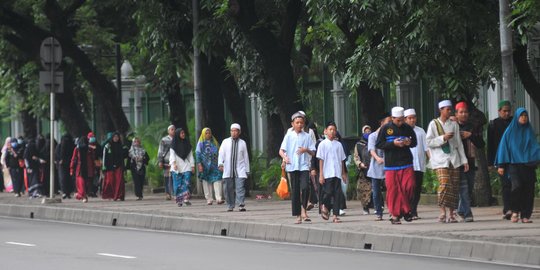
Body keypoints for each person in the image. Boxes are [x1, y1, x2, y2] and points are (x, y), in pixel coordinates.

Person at [426, 100, 469, 223]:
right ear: (441, 110)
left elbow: (459, 144)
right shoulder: (433, 124)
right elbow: (428, 142)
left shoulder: (454, 124)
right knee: (444, 185)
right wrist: (443, 138)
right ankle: (442, 211)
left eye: (450, 109)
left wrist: (464, 160)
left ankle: (451, 213)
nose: (450, 111)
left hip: (454, 159)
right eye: (447, 109)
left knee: (454, 186)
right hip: (440, 160)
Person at [495, 108, 540, 223]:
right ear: (517, 117)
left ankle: (525, 216)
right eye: (522, 116)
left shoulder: (529, 131)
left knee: (528, 190)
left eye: (526, 116)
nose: (524, 118)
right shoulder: (510, 131)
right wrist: (501, 165)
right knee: (517, 187)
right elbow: (504, 148)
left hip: (528, 165)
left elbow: (535, 148)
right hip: (514, 165)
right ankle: (515, 211)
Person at [376, 106, 417, 224]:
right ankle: (395, 214)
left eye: (402, 120)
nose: (400, 122)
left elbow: (414, 142)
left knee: (409, 186)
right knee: (393, 190)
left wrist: (408, 142)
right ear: (392, 118)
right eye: (397, 120)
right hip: (391, 164)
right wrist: (393, 143)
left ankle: (406, 209)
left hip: (406, 162)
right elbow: (379, 144)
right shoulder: (385, 129)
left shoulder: (407, 128)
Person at [279, 112, 316, 224]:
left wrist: (306, 150)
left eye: (301, 123)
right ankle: (298, 215)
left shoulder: (307, 136)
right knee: (295, 191)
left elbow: (313, 152)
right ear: (293, 124)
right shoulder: (289, 136)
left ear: (304, 124)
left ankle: (304, 209)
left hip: (304, 166)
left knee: (305, 188)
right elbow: (281, 150)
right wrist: (285, 158)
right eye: (297, 123)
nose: (299, 125)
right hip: (292, 166)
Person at [455, 102, 485, 222]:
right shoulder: (452, 126)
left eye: (465, 112)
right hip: (457, 163)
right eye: (461, 112)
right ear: (456, 114)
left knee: (469, 187)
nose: (463, 114)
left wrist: (470, 135)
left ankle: (461, 210)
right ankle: (468, 213)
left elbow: (481, 144)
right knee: (464, 189)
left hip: (470, 161)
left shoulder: (473, 127)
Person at [316, 121, 348, 223]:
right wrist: (321, 174)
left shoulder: (339, 145)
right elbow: (321, 160)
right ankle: (324, 205)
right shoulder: (322, 144)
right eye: (330, 129)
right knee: (328, 192)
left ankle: (335, 215)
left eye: (334, 130)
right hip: (327, 173)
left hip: (337, 173)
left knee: (337, 195)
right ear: (325, 131)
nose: (332, 132)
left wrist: (343, 173)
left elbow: (342, 160)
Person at [487, 100, 513, 219]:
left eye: (508, 111)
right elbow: (491, 145)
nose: (506, 113)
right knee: (506, 184)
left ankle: (515, 208)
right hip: (501, 159)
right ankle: (507, 209)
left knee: (516, 184)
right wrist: (490, 162)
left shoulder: (514, 123)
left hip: (515, 159)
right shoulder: (493, 124)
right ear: (499, 111)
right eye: (504, 111)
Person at [404, 108, 430, 220]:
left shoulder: (421, 131)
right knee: (409, 187)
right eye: (409, 118)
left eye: (413, 118)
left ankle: (413, 210)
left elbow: (426, 147)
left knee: (417, 188)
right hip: (407, 165)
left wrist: (432, 160)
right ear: (405, 119)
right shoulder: (402, 131)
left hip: (419, 164)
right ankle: (407, 210)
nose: (412, 120)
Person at [218, 123, 250, 212]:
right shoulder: (225, 142)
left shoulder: (243, 143)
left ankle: (241, 204)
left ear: (239, 132)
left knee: (240, 187)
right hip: (228, 169)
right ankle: (230, 205)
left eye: (236, 131)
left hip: (240, 169)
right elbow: (221, 154)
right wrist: (220, 164)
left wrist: (247, 169)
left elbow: (245, 157)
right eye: (232, 131)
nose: (234, 133)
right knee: (228, 189)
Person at [368, 113, 391, 221]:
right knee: (376, 191)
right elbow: (371, 150)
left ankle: (392, 211)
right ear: (382, 123)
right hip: (376, 166)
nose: (390, 124)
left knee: (391, 189)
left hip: (389, 166)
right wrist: (377, 158)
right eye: (388, 122)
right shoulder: (373, 136)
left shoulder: (389, 135)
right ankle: (378, 212)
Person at [196, 128, 224, 205]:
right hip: (205, 166)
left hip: (215, 165)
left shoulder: (214, 142)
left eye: (209, 133)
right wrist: (199, 164)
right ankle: (209, 199)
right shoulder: (200, 143)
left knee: (217, 180)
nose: (208, 135)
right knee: (206, 181)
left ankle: (219, 198)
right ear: (203, 134)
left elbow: (220, 151)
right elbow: (198, 154)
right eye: (206, 133)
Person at [170, 128, 195, 206]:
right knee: (177, 185)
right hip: (176, 166)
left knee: (187, 182)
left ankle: (186, 199)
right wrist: (174, 164)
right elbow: (172, 155)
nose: (183, 134)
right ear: (178, 135)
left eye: (184, 133)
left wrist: (192, 166)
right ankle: (179, 200)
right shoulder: (173, 145)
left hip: (186, 165)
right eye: (181, 133)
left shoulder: (187, 144)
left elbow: (190, 156)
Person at [70, 136, 96, 203]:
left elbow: (93, 159)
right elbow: (73, 159)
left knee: (87, 184)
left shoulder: (90, 149)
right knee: (81, 184)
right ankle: (83, 196)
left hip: (88, 169)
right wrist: (72, 169)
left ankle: (81, 195)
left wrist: (94, 168)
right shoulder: (77, 149)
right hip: (80, 169)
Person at [102, 132, 126, 201]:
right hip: (110, 167)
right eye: (114, 137)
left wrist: (123, 167)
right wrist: (104, 167)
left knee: (119, 181)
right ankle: (110, 194)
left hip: (119, 166)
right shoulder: (107, 146)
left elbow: (122, 157)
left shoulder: (121, 146)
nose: (116, 138)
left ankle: (118, 195)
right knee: (110, 181)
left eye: (117, 137)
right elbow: (104, 157)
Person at [354, 125, 372, 215]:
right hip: (363, 170)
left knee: (373, 189)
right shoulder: (358, 145)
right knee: (362, 190)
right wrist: (360, 164)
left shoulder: (373, 143)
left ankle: (376, 206)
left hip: (372, 169)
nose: (368, 133)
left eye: (369, 131)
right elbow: (356, 157)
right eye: (366, 132)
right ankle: (365, 207)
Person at [158, 125, 175, 200]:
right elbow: (160, 151)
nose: (173, 130)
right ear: (168, 131)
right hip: (166, 161)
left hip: (175, 162)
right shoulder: (164, 140)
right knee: (167, 177)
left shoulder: (178, 139)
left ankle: (175, 193)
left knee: (175, 177)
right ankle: (168, 193)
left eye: (174, 129)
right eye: (172, 129)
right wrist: (160, 161)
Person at [56, 134, 75, 199]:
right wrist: (59, 160)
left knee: (67, 178)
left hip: (69, 164)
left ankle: (67, 192)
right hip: (63, 165)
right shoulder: (60, 147)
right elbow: (57, 155)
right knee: (63, 178)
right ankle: (65, 192)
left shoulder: (71, 146)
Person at [87, 132, 102, 197]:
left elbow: (100, 153)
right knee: (90, 178)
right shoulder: (86, 145)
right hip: (89, 164)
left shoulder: (97, 145)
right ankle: (89, 191)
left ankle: (94, 191)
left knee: (96, 177)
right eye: (91, 137)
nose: (92, 138)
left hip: (96, 163)